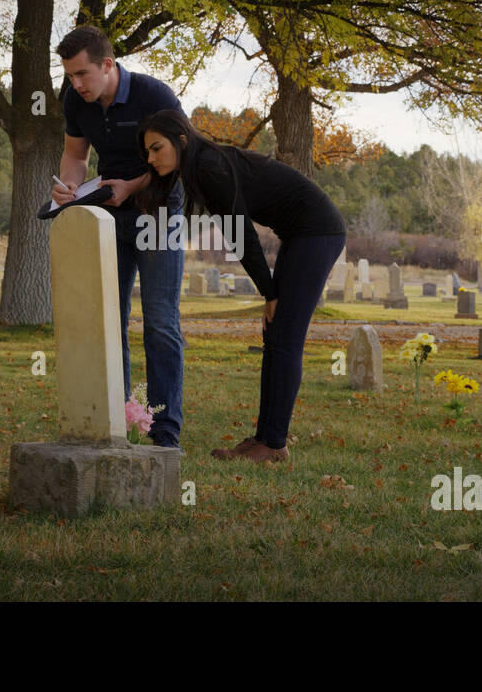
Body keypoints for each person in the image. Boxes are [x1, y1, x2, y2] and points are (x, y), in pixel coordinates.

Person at [134, 109, 346, 463]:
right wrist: (271, 293)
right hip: (301, 234)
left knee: (286, 338)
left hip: (319, 232)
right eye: (148, 153)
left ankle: (274, 443)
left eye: (157, 149)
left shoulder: (209, 168)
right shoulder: (202, 166)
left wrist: (270, 293)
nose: (152, 158)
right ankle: (265, 438)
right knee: (276, 337)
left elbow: (241, 236)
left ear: (181, 141)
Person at [54, 26, 187, 448]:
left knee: (160, 322)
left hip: (159, 211)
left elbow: (182, 156)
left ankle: (164, 430)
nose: (76, 85)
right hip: (109, 213)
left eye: (82, 74)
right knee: (109, 321)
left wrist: (135, 186)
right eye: (70, 76)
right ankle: (122, 418)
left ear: (107, 65)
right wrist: (69, 189)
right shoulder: (76, 99)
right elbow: (76, 155)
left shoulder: (154, 96)